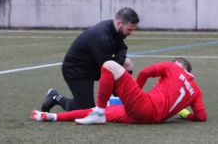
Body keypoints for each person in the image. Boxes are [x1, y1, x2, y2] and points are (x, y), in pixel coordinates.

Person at [31, 58, 207, 124]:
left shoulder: (171, 67)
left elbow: (145, 72)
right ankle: (51, 116)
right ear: (190, 72)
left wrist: (137, 91)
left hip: (143, 106)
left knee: (109, 65)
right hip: (148, 120)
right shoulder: (197, 91)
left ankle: (99, 113)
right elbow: (202, 116)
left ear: (178, 66)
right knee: (95, 111)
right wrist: (185, 115)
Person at [41, 7, 139, 112]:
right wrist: (119, 65)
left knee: (127, 63)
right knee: (86, 110)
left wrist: (120, 63)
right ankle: (55, 97)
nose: (131, 32)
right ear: (119, 23)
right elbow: (106, 66)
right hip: (76, 70)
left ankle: (121, 99)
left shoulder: (115, 29)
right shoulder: (102, 36)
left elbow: (122, 47)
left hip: (93, 65)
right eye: (129, 29)